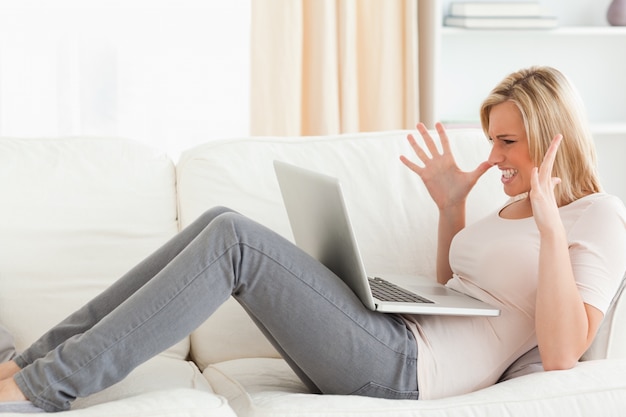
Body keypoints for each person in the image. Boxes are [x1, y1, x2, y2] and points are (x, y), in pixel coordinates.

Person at [1, 66, 625, 413]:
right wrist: (452, 210)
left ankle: (46, 382)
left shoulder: (594, 216)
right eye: (491, 139)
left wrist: (548, 228)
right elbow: (457, 294)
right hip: (399, 338)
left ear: (553, 139)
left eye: (507, 142)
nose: (493, 158)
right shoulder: (508, 210)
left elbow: (566, 352)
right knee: (219, 218)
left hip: (409, 372)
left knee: (234, 241)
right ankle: (29, 363)